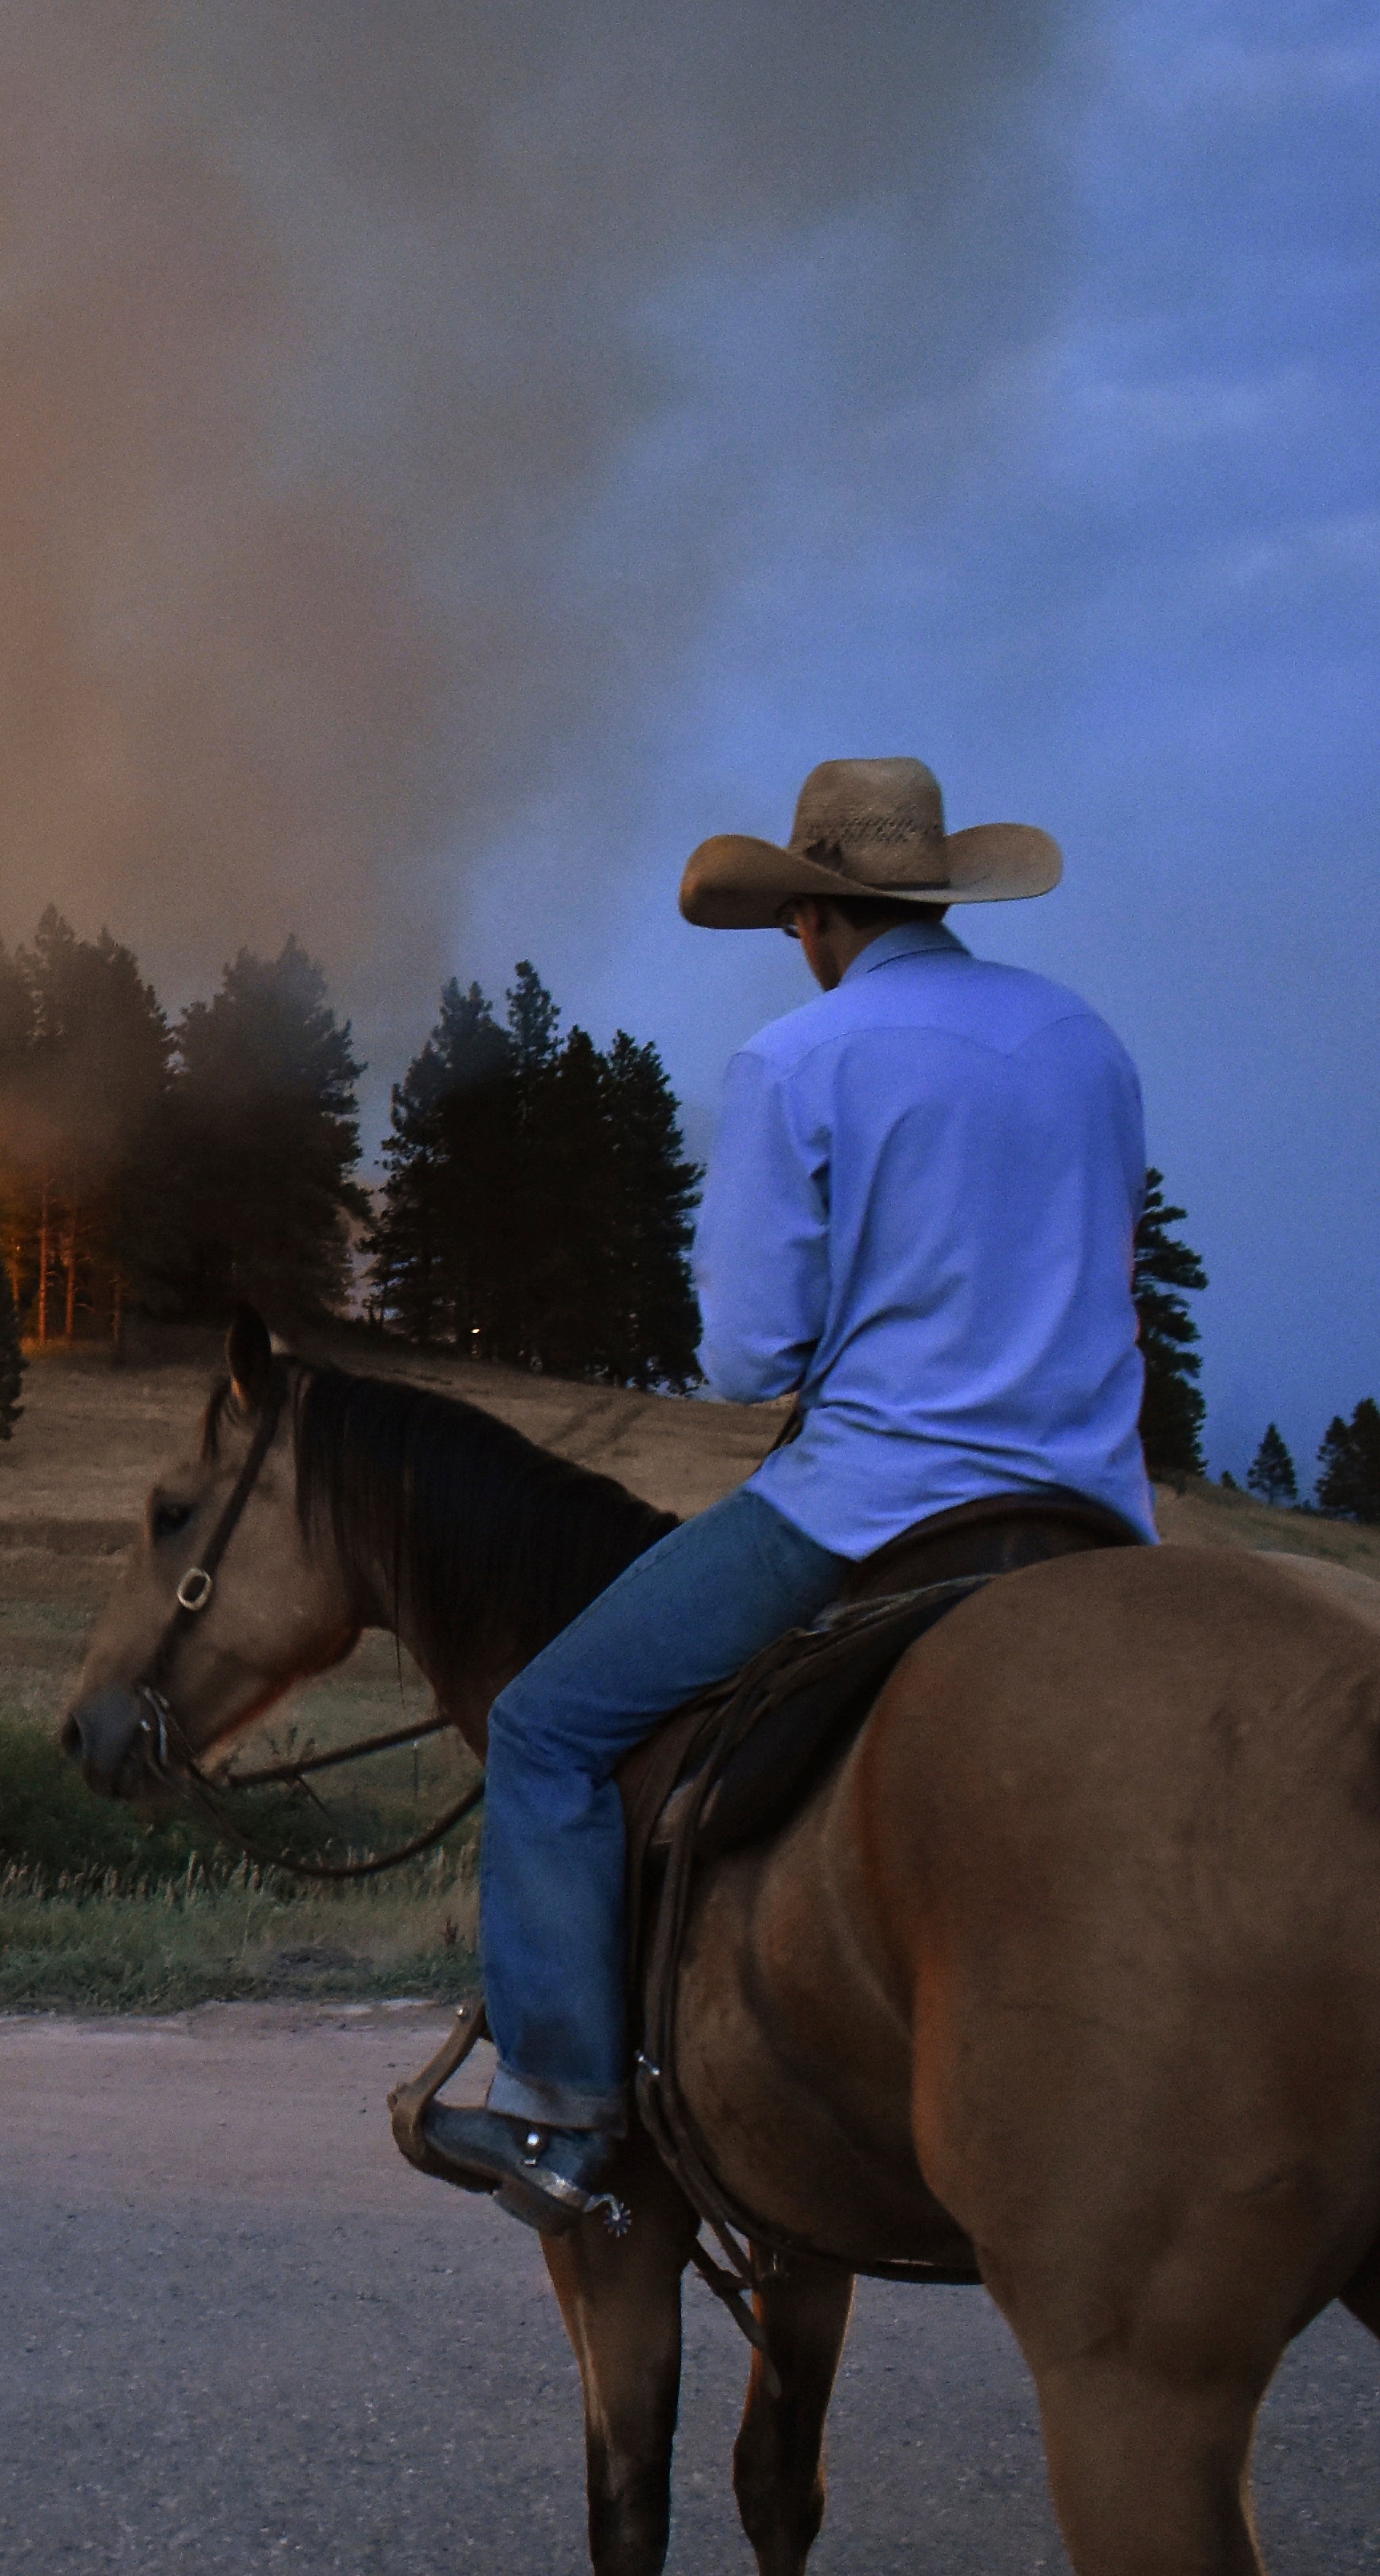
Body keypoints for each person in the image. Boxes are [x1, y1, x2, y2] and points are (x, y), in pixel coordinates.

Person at [418, 757, 1148, 2234]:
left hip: (876, 1505)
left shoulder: (801, 1059)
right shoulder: (1085, 1041)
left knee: (549, 1730)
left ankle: (560, 2111)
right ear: (937, 896)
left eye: (791, 925)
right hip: (1092, 1513)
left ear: (813, 916)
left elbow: (751, 1350)